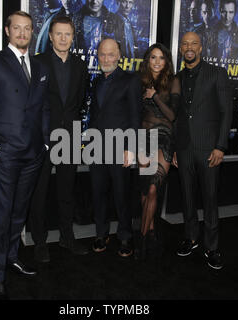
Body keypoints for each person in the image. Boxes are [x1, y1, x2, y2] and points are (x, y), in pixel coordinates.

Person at [0, 11, 50, 299]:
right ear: (7, 31)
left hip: (33, 153)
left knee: (20, 211)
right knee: (2, 214)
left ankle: (12, 257)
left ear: (32, 32)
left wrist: (43, 143)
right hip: (5, 153)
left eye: (27, 28)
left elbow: (44, 108)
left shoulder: (40, 66)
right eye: (16, 28)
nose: (22, 33)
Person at [29, 16, 89, 263]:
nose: (63, 38)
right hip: (42, 136)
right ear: (50, 36)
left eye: (68, 34)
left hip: (70, 137)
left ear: (72, 37)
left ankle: (67, 237)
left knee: (66, 190)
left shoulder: (80, 65)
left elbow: (81, 99)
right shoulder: (37, 63)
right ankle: (40, 243)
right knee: (39, 191)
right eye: (59, 34)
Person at [172, 32, 232, 270]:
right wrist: (176, 148)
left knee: (209, 199)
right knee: (187, 196)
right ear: (180, 49)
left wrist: (220, 146)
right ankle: (192, 237)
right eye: (185, 44)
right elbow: (176, 116)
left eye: (194, 43)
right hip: (184, 148)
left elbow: (226, 112)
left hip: (209, 148)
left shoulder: (216, 74)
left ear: (201, 47)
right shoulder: (176, 78)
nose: (189, 47)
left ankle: (212, 247)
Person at [89, 38, 142, 257]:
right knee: (98, 193)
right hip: (97, 147)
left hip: (121, 147)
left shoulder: (131, 80)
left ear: (119, 56)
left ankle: (125, 236)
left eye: (111, 54)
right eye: (102, 54)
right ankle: (102, 233)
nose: (106, 58)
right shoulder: (96, 82)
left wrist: (130, 148)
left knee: (121, 195)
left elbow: (135, 116)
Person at [137, 43, 180, 259]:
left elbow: (172, 116)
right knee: (145, 192)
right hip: (144, 139)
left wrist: (154, 96)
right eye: (153, 57)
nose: (157, 62)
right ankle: (151, 230)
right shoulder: (140, 81)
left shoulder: (173, 82)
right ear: (148, 60)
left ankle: (142, 241)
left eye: (161, 58)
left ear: (166, 62)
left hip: (164, 139)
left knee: (153, 189)